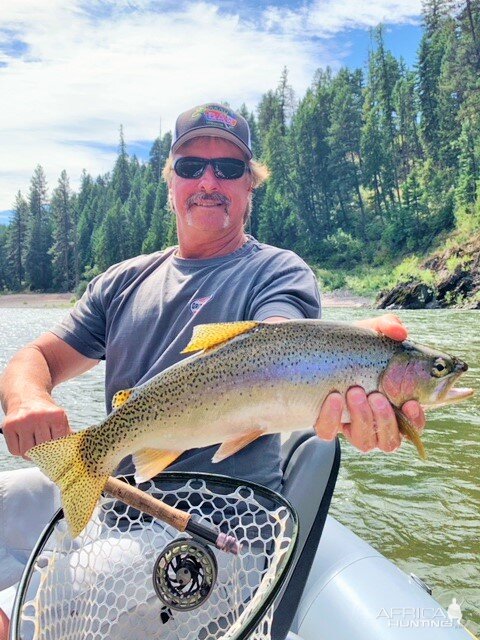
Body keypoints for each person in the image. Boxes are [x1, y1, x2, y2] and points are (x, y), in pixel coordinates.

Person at [0, 102, 425, 638]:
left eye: (228, 169)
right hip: (119, 489)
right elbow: (32, 359)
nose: (208, 180)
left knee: (71, 597)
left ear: (250, 186)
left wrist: (350, 354)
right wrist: (26, 399)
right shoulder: (121, 282)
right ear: (169, 182)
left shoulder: (276, 271)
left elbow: (279, 339)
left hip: (224, 522)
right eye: (190, 166)